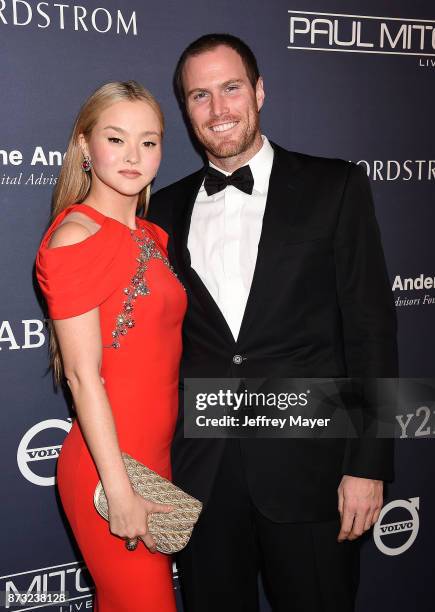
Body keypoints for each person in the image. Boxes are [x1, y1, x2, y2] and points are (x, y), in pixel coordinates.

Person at [147, 34, 398, 612]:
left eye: (231, 88)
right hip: (201, 477)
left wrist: (369, 464)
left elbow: (373, 332)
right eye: (200, 96)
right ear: (185, 109)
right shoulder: (160, 210)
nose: (219, 110)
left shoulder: (335, 186)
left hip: (312, 472)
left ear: (259, 90)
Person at [36, 81, 187, 612]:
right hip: (109, 471)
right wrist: (118, 492)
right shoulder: (75, 237)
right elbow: (82, 376)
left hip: (155, 460)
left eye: (149, 141)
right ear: (84, 145)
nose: (133, 156)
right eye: (116, 138)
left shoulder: (152, 236)